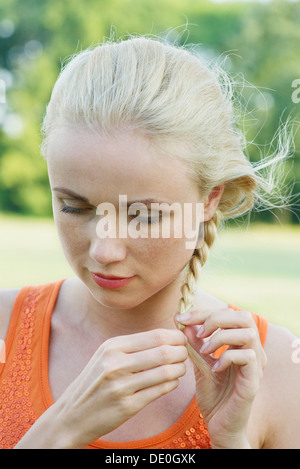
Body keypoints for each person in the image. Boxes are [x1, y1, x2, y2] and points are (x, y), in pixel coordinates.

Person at [0, 35, 299, 450]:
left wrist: (231, 439)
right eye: (75, 207)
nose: (105, 251)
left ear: (210, 198)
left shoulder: (278, 366)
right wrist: (60, 429)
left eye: (145, 215)